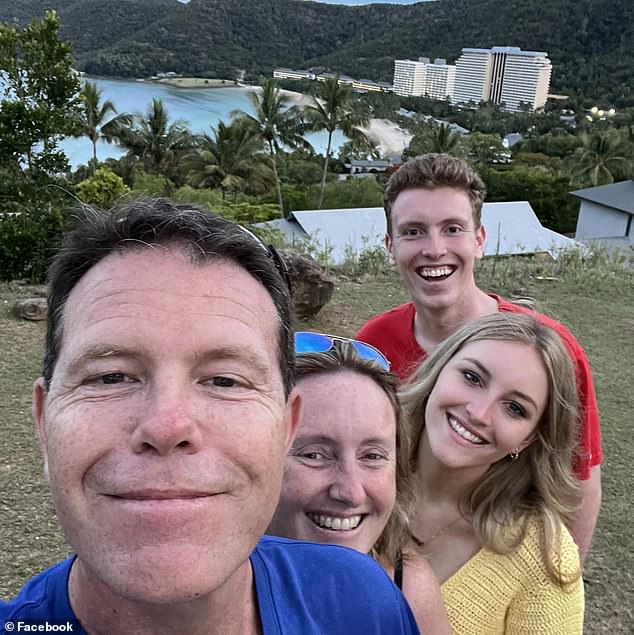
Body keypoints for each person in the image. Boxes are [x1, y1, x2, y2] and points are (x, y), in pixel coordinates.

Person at [0, 199, 419, 635]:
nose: (167, 426)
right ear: (45, 422)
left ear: (286, 428)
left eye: (225, 381)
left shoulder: (358, 601)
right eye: (110, 377)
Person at [356, 153, 602, 561]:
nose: (434, 250)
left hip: (499, 559)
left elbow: (578, 479)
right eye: (413, 232)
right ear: (390, 246)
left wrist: (558, 585)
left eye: (452, 229)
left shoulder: (550, 352)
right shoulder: (373, 343)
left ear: (479, 239)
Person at [400, 312, 584, 633]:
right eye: (472, 377)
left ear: (528, 438)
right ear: (440, 368)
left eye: (514, 408)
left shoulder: (545, 558)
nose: (478, 413)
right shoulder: (355, 466)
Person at [268, 333, 450, 634]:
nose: (351, 492)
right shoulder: (195, 594)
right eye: (314, 455)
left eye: (372, 456)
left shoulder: (409, 590)